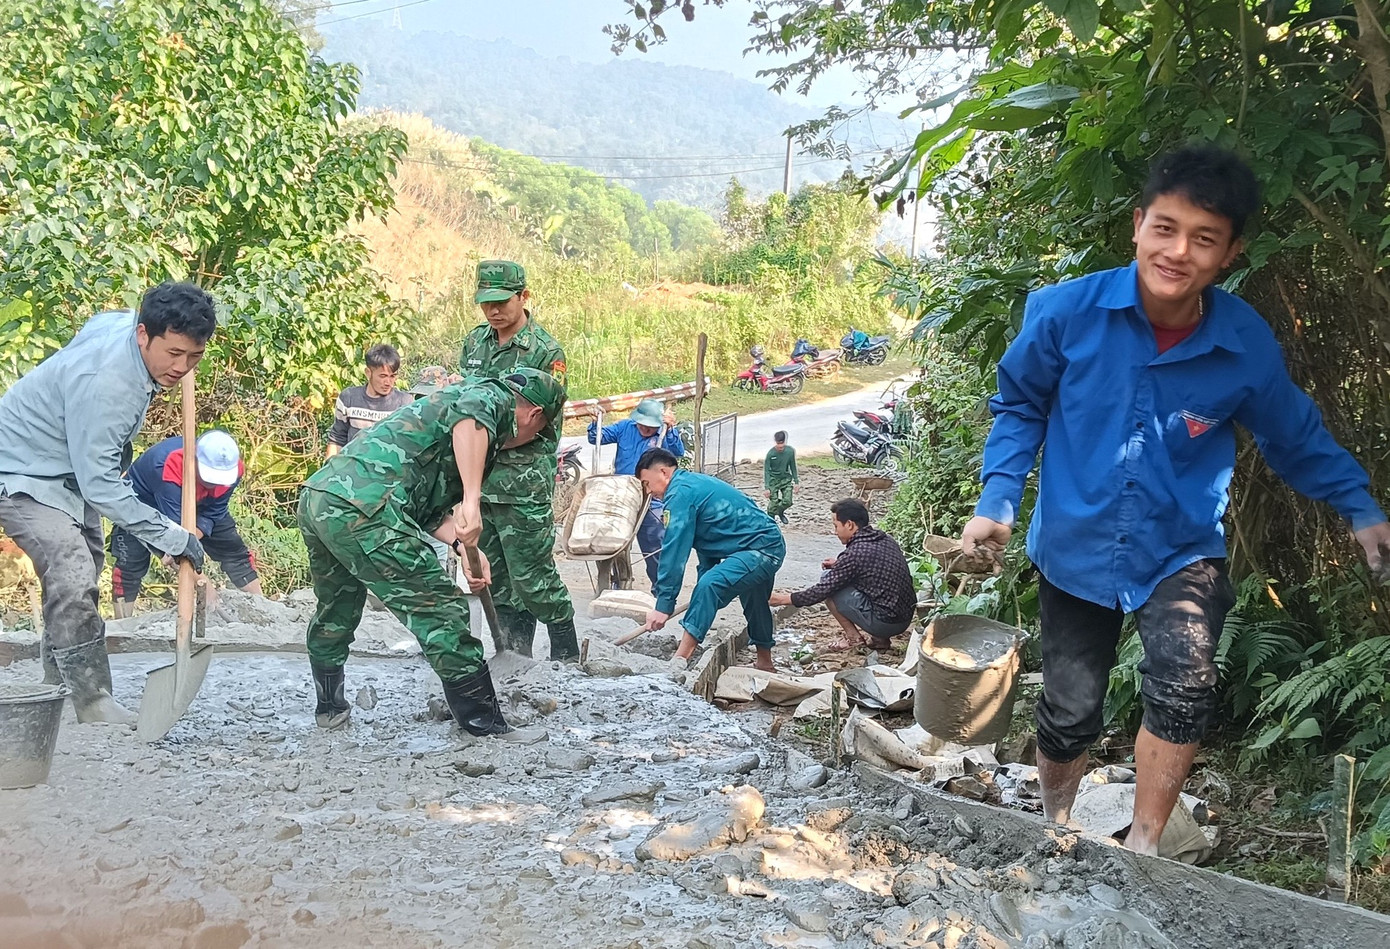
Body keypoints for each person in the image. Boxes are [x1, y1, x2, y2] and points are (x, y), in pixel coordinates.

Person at [959, 144, 1390, 856]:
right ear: (1138, 224)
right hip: (1074, 542)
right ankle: (1057, 823)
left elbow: (1294, 435)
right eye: (1165, 227)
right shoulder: (1066, 313)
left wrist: (1360, 507)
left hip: (1180, 544)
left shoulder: (1243, 343)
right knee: (1070, 711)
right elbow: (1019, 405)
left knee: (1185, 681)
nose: (1178, 251)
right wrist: (999, 499)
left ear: (1230, 252)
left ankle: (1146, 847)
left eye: (1204, 238)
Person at [298, 368, 566, 736]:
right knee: (441, 609)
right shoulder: (493, 397)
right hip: (366, 507)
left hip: (323, 498)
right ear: (535, 417)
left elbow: (422, 506)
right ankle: (484, 725)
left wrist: (459, 543)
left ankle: (330, 711)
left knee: (337, 607)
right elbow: (472, 419)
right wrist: (471, 501)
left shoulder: (451, 406)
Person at [0, 283, 216, 724]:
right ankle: (93, 701)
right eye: (173, 354)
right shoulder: (108, 386)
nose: (182, 367)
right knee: (72, 569)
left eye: (193, 356)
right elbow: (100, 485)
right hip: (21, 470)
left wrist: (179, 353)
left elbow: (96, 322)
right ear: (143, 335)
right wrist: (169, 537)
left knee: (84, 569)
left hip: (69, 471)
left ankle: (56, 683)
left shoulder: (124, 327)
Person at [456, 259, 577, 659]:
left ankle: (566, 658)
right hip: (480, 481)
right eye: (485, 302)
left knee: (534, 578)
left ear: (523, 297)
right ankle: (515, 657)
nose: (493, 311)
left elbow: (542, 422)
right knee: (500, 581)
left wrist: (481, 437)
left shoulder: (546, 352)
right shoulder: (475, 344)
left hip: (522, 484)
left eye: (502, 301)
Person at [635, 448, 786, 673]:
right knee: (755, 600)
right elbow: (709, 539)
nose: (648, 492)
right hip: (760, 543)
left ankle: (679, 661)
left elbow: (674, 551)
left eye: (647, 483)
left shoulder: (679, 494)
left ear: (663, 472)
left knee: (710, 585)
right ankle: (765, 662)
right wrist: (705, 594)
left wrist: (663, 605)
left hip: (761, 549)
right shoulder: (691, 485)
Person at [110, 430, 261, 617]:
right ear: (195, 460)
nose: (214, 484)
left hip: (203, 506)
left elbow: (215, 511)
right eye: (210, 477)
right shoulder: (167, 465)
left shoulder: (233, 469)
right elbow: (174, 538)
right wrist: (203, 584)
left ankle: (263, 607)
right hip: (144, 506)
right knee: (129, 565)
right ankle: (123, 627)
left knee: (234, 552)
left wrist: (193, 538)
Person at [769, 498, 916, 651]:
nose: (835, 532)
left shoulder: (855, 554)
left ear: (850, 525)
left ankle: (854, 638)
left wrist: (782, 599)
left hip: (886, 623)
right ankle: (880, 641)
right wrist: (839, 565)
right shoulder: (884, 539)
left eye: (836, 526)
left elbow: (821, 591)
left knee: (828, 580)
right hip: (904, 618)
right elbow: (874, 568)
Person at [586, 398, 686, 587]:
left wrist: (671, 429)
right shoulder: (625, 427)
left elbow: (677, 452)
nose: (646, 429)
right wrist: (594, 422)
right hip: (622, 493)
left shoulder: (663, 433)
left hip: (650, 495)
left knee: (654, 543)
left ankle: (661, 588)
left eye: (651, 426)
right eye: (643, 424)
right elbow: (596, 437)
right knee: (614, 542)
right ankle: (618, 582)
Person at [326, 343, 413, 457]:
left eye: (392, 376)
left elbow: (410, 445)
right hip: (353, 469)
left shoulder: (405, 403)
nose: (388, 382)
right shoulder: (348, 398)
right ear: (368, 373)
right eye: (383, 376)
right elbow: (337, 439)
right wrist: (329, 470)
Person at [764, 430, 799, 525]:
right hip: (773, 480)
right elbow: (766, 471)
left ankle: (780, 512)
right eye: (778, 443)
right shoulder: (771, 454)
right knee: (773, 502)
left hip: (785, 479)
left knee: (788, 501)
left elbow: (793, 466)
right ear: (775, 441)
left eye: (782, 443)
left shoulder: (790, 451)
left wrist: (796, 482)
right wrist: (766, 487)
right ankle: (771, 521)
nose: (780, 446)